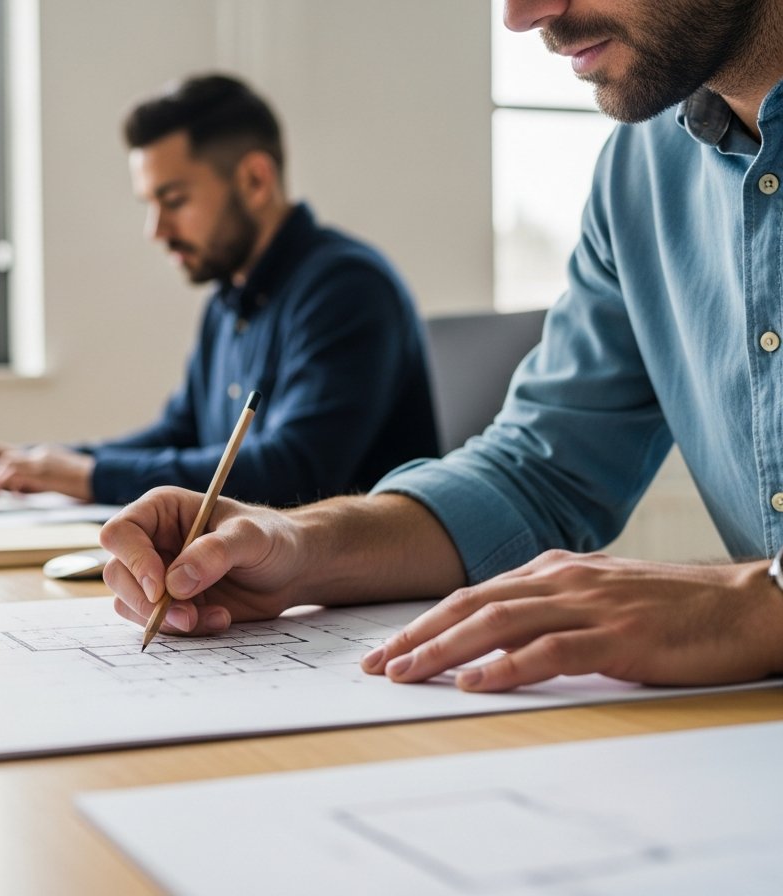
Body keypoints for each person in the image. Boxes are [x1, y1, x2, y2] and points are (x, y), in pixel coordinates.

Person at [102, 0, 783, 691]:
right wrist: (299, 546)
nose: (521, 16)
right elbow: (537, 474)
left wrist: (760, 604)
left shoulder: (340, 281)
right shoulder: (641, 170)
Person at [0, 74, 438, 507]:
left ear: (255, 180)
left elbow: (295, 473)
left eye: (173, 200)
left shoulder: (347, 289)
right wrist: (37, 462)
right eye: (149, 204)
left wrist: (82, 477)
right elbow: (178, 436)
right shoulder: (229, 300)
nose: (156, 229)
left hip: (361, 607)